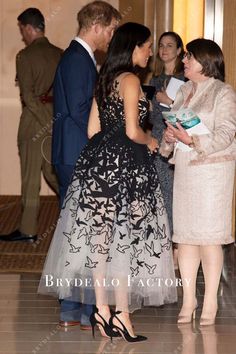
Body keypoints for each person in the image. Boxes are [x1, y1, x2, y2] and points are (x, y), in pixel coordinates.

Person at [38, 22, 177, 342]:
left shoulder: (105, 80)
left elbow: (91, 131)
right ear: (133, 47)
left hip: (98, 168)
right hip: (126, 168)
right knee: (127, 243)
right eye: (147, 46)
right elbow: (132, 131)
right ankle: (124, 316)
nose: (150, 52)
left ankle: (102, 311)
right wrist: (151, 142)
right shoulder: (130, 80)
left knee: (101, 243)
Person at [52, 1, 121, 330]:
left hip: (70, 150)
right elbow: (82, 112)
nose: (111, 37)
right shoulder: (79, 59)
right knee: (83, 233)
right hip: (79, 152)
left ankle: (74, 310)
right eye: (111, 30)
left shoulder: (75, 56)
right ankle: (77, 309)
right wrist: (106, 139)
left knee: (77, 231)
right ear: (98, 25)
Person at [160, 38, 236, 326]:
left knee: (209, 237)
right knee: (187, 237)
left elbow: (227, 133)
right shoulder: (184, 90)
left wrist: (191, 138)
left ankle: (211, 300)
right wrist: (169, 138)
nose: (183, 61)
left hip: (213, 174)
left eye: (188, 57)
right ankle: (189, 298)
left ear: (205, 61)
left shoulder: (223, 92)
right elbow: (174, 128)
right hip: (186, 171)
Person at [0, 8, 62, 243]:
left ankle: (28, 230)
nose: (22, 35)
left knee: (30, 178)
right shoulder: (60, 53)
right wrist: (54, 123)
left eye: (21, 29)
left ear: (28, 27)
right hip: (55, 118)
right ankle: (77, 209)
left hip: (33, 124)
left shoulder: (24, 56)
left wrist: (45, 123)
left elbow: (27, 96)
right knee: (54, 173)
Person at [150, 31, 185, 235]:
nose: (163, 49)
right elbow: (153, 116)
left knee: (171, 193)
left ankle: (175, 242)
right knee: (159, 193)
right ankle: (163, 240)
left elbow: (189, 115)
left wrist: (169, 102)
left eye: (169, 45)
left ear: (179, 50)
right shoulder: (155, 80)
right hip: (156, 137)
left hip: (175, 140)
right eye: (161, 45)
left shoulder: (184, 79)